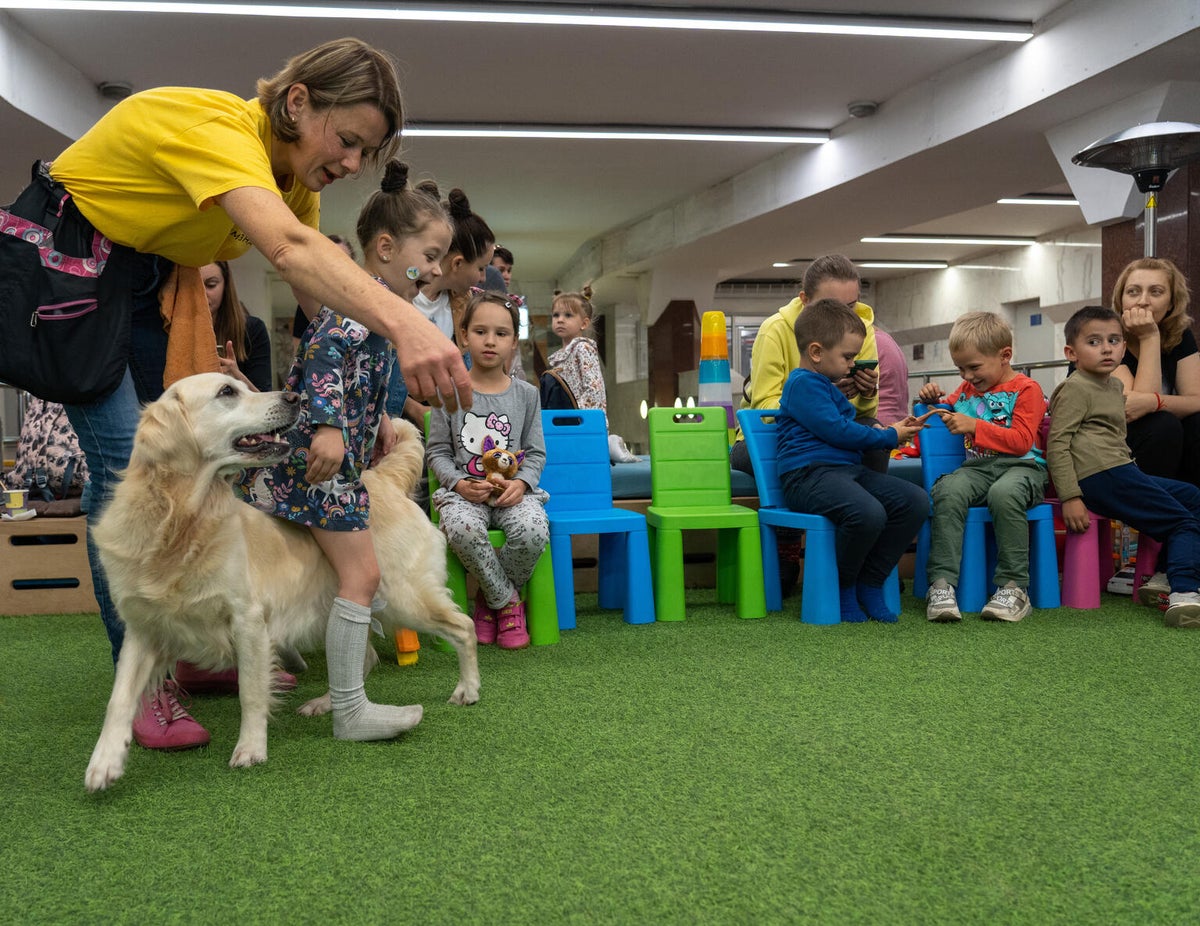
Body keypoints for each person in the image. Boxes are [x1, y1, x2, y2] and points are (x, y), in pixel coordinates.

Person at [47, 37, 471, 751]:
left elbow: (314, 293)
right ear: (297, 102)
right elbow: (292, 252)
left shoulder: (293, 183)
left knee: (198, 467)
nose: (350, 165)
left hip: (153, 279)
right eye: (347, 140)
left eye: (364, 153)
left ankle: (190, 637)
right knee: (130, 458)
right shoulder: (218, 130)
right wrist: (407, 324)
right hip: (74, 272)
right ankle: (146, 678)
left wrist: (362, 398)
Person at [237, 159, 451, 738]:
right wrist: (332, 426)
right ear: (385, 247)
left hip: (331, 462)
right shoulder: (361, 307)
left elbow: (360, 371)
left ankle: (342, 696)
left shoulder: (378, 312)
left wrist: (378, 418)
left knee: (351, 578)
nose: (434, 269)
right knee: (362, 578)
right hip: (324, 464)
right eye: (429, 256)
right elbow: (326, 355)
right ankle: (350, 708)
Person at [775, 299, 930, 623]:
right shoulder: (801, 383)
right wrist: (890, 435)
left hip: (844, 472)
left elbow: (841, 426)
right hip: (806, 476)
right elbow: (838, 431)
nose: (852, 364)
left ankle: (870, 582)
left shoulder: (824, 385)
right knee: (867, 512)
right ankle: (845, 586)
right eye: (847, 357)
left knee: (914, 501)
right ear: (816, 352)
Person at [1047, 305, 1200, 628]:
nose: (1107, 348)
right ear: (1070, 353)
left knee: (1191, 496)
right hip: (1101, 477)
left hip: (1120, 470)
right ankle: (1185, 592)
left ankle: (1162, 577)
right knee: (1182, 523)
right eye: (1094, 342)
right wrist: (1071, 496)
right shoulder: (1075, 388)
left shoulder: (1114, 387)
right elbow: (1057, 444)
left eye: (1114, 340)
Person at [426, 291, 549, 649]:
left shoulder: (527, 395)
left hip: (513, 495)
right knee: (462, 529)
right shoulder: (447, 390)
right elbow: (437, 451)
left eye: (501, 333)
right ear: (463, 335)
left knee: (532, 531)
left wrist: (523, 484)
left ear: (514, 341)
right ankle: (509, 604)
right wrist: (459, 482)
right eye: (480, 331)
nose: (490, 341)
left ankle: (487, 601)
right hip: (465, 495)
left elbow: (536, 454)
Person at [915, 312, 1049, 623]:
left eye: (974, 367)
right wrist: (932, 397)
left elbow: (1020, 441)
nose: (968, 375)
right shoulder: (966, 390)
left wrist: (974, 426)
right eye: (961, 368)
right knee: (947, 490)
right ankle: (941, 585)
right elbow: (947, 406)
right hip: (978, 469)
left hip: (1023, 466)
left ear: (1005, 356)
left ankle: (1014, 587)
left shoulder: (1027, 389)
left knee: (1004, 493)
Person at [732, 254, 884, 475]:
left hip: (832, 432)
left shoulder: (861, 331)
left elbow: (863, 414)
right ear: (804, 299)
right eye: (830, 307)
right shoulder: (774, 331)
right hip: (771, 434)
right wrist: (820, 400)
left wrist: (868, 392)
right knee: (805, 450)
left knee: (873, 431)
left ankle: (872, 499)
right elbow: (763, 410)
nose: (843, 318)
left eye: (850, 307)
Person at [1109, 258, 1200, 603]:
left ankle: (1181, 562)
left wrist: (1157, 402)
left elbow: (1196, 399)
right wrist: (1148, 338)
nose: (1143, 301)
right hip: (1115, 454)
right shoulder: (1105, 336)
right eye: (1134, 291)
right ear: (1121, 300)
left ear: (1172, 302)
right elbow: (1132, 409)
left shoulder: (1180, 336)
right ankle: (1155, 557)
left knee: (1193, 426)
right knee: (1162, 426)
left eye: (1155, 291)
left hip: (1168, 450)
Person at [200, 261, 273, 392]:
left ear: (226, 286)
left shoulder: (252, 330)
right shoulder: (168, 331)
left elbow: (263, 399)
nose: (202, 293)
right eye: (194, 286)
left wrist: (236, 376)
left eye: (211, 285)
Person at [292, 233, 358, 349]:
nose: (336, 268)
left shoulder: (362, 302)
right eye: (330, 261)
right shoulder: (308, 302)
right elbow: (298, 350)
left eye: (342, 261)